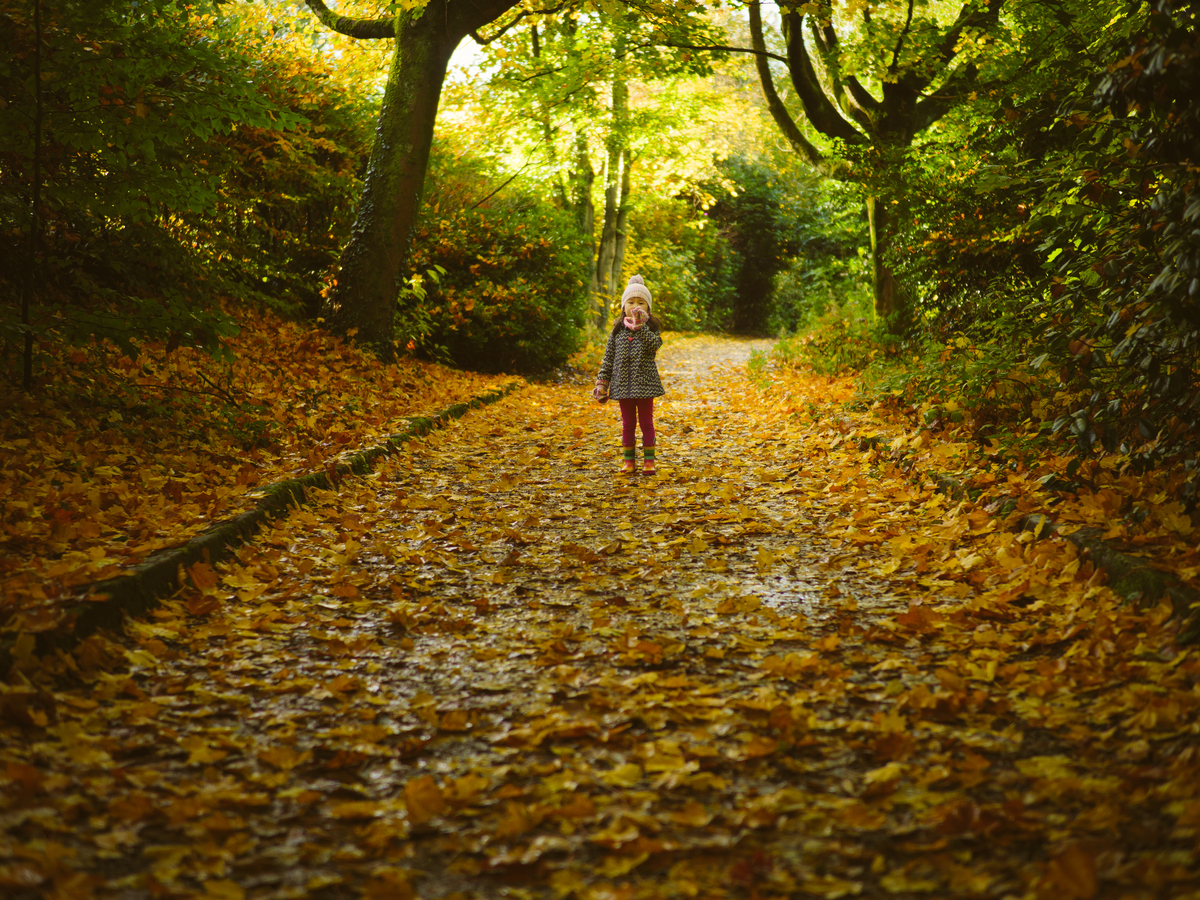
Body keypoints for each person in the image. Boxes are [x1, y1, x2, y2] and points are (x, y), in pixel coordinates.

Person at [593, 274, 665, 475]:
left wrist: (641, 328)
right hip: (622, 386)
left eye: (641, 302)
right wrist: (602, 384)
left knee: (646, 422)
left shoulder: (651, 329)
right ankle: (629, 461)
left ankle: (649, 462)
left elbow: (654, 346)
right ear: (623, 306)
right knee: (628, 423)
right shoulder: (617, 331)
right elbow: (608, 359)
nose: (635, 306)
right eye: (631, 302)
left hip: (645, 385)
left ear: (648, 308)